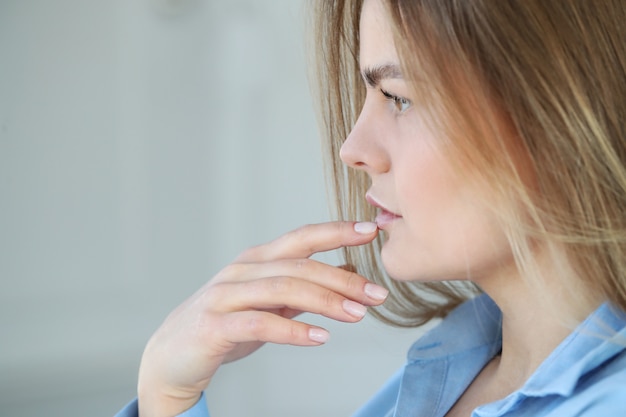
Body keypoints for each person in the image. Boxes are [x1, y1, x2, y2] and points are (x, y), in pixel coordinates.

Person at [116, 0, 626, 416]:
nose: (352, 148)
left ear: (554, 113)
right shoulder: (440, 374)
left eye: (398, 98)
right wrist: (167, 397)